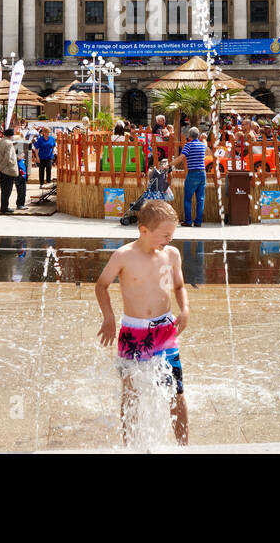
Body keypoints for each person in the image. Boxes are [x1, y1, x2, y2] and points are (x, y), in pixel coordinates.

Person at [94, 199, 189, 446]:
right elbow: (101, 285)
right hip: (133, 333)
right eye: (164, 235)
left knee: (176, 393)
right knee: (131, 394)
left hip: (165, 331)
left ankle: (183, 447)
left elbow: (179, 286)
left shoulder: (171, 254)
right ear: (143, 230)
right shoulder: (124, 256)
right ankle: (130, 446)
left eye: (172, 234)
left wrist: (185, 308)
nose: (169, 239)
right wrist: (109, 317)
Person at [172, 126, 207, 227]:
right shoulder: (202, 145)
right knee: (200, 199)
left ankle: (188, 221)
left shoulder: (188, 145)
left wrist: (170, 164)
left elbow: (181, 158)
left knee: (188, 199)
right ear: (198, 135)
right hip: (202, 173)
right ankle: (198, 222)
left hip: (192, 174)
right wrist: (204, 138)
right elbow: (205, 143)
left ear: (189, 136)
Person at [0, 127, 25, 213]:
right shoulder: (9, 143)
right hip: (8, 170)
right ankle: (4, 207)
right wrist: (1, 167)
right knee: (7, 190)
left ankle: (4, 206)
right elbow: (8, 158)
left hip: (1, 169)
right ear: (11, 136)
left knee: (4, 190)